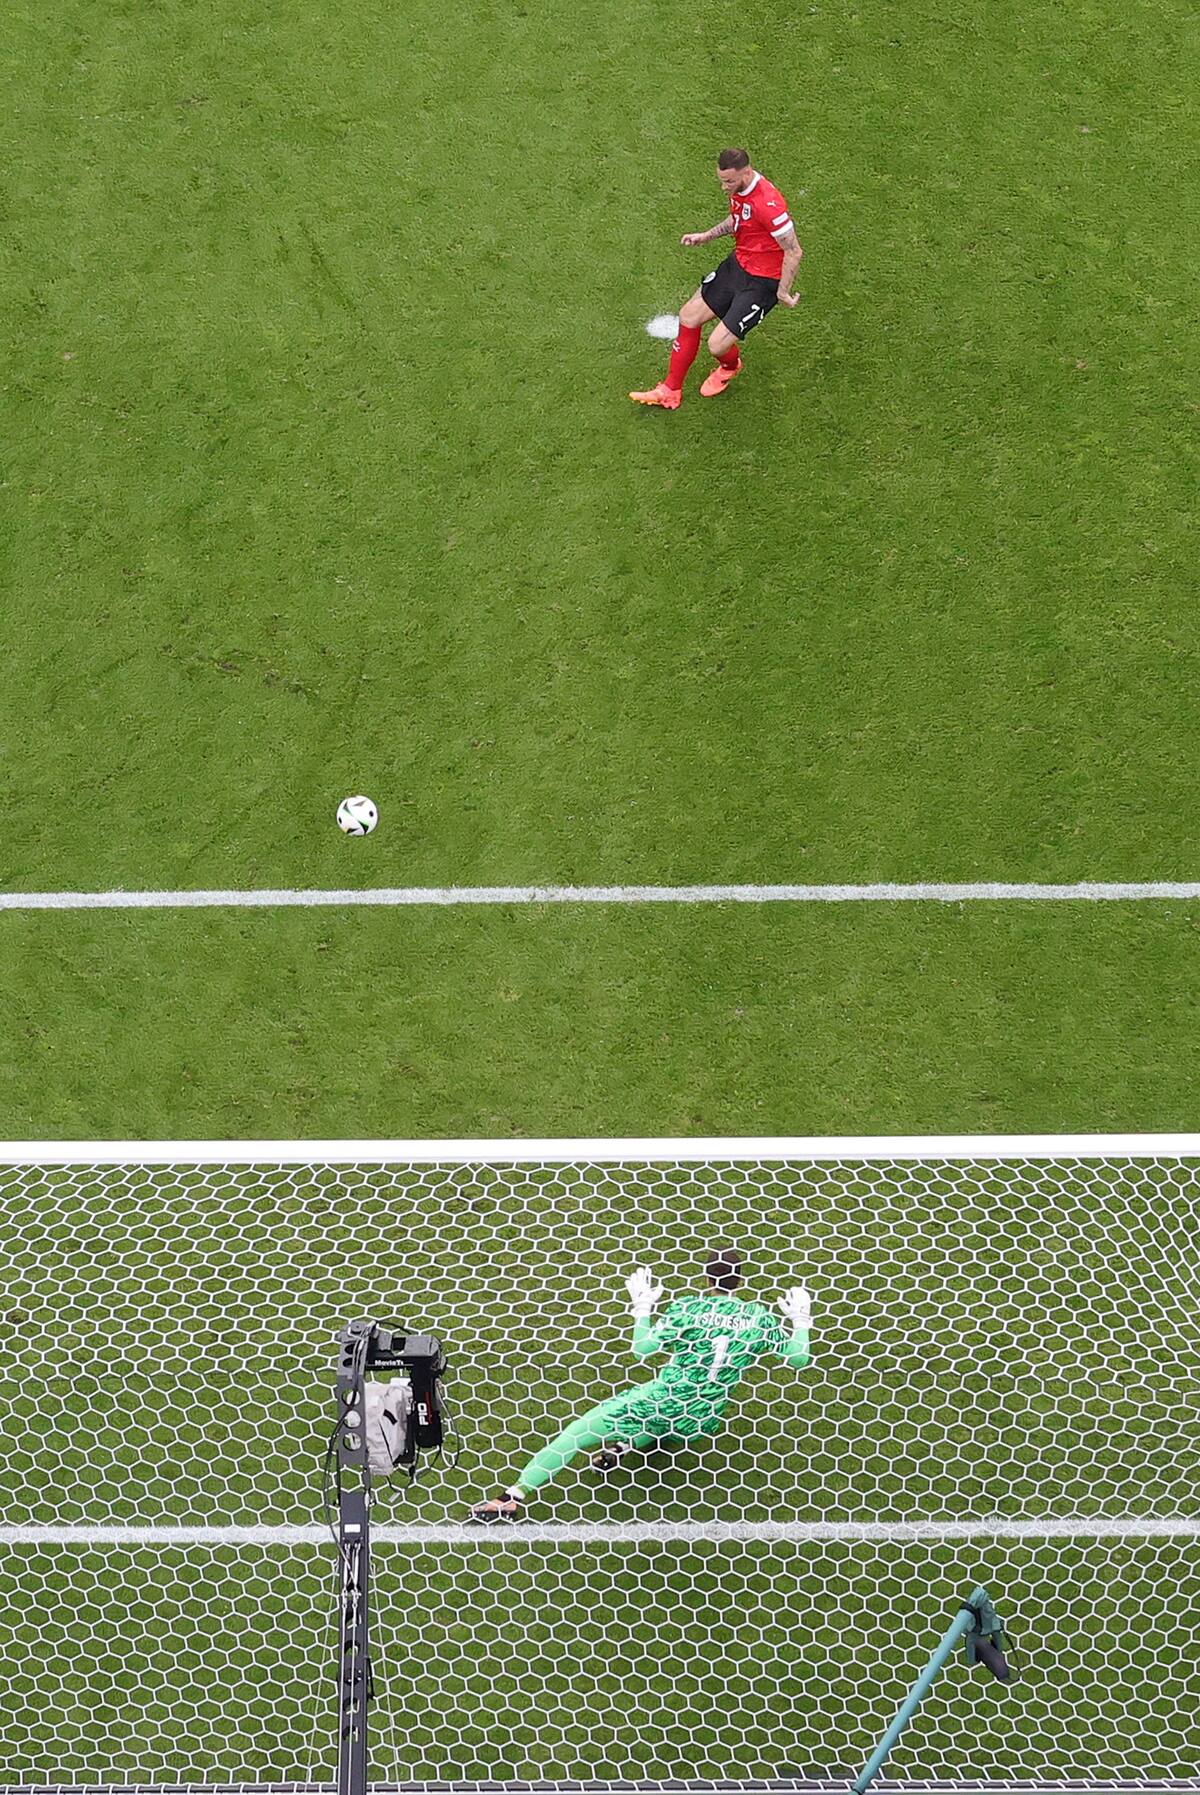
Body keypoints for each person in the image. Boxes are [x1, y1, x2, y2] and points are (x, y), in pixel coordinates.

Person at [467, 1248, 812, 1521]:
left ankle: (511, 1497)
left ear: (707, 1279)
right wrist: (800, 1321)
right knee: (665, 1423)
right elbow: (798, 1358)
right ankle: (625, 1447)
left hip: (663, 1400)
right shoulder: (760, 1318)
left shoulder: (688, 1310)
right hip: (703, 1417)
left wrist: (642, 1307)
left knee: (575, 1433)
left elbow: (642, 1349)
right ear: (741, 1281)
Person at [630, 148, 803, 410]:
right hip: (738, 266)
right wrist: (706, 235)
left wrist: (782, 293)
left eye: (729, 181)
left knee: (716, 345)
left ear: (746, 172)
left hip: (763, 283)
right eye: (721, 181)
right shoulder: (739, 190)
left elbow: (793, 250)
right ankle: (670, 390)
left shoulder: (769, 204)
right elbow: (738, 220)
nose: (724, 187)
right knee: (688, 316)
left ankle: (730, 366)